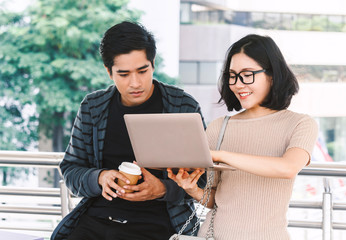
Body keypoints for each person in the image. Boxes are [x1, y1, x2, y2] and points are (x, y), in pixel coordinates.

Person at [51, 21, 206, 240]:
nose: (135, 83)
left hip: (159, 222)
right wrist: (99, 177)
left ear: (153, 64)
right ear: (109, 72)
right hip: (97, 219)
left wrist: (162, 189)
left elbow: (204, 180)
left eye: (142, 71)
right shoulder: (93, 107)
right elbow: (71, 169)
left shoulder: (182, 106)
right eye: (123, 74)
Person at [168, 34, 318, 239]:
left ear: (272, 75)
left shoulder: (300, 124)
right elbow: (215, 200)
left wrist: (221, 155)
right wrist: (193, 189)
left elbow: (288, 168)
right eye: (232, 75)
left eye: (247, 74)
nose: (238, 84)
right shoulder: (219, 127)